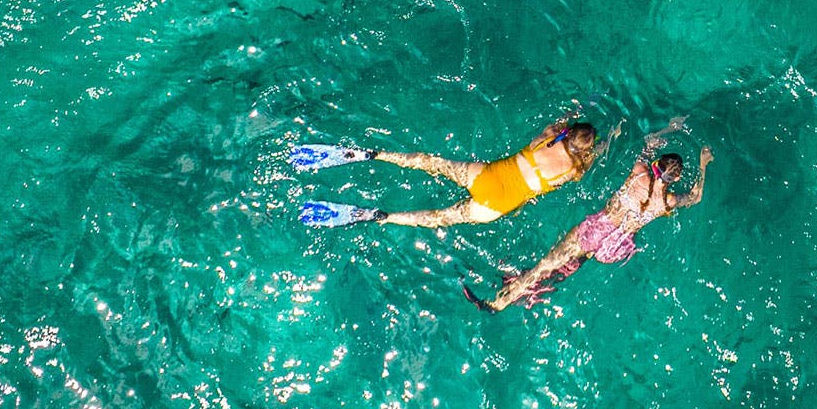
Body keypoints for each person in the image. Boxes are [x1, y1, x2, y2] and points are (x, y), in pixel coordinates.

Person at [467, 137, 711, 311]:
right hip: (615, 246)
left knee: (546, 264)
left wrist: (663, 135)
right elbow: (696, 197)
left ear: (656, 165)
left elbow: (647, 146)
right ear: (676, 178)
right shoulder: (668, 201)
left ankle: (499, 303)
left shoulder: (638, 172)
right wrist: (703, 163)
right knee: (569, 267)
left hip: (596, 229)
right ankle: (536, 291)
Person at [295, 119, 602, 228]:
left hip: (486, 175)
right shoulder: (573, 172)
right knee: (438, 216)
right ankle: (381, 216)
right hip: (493, 207)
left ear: (568, 133)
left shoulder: (547, 138)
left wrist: (568, 121)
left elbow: (560, 123)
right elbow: (581, 165)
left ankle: (374, 154)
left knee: (431, 162)